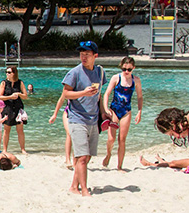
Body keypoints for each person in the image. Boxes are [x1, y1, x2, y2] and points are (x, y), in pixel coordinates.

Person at [62, 40, 105, 195]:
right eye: (81, 54)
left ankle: (74, 186)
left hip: (93, 120)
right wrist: (83, 93)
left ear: (95, 56)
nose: (83, 57)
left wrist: (104, 112)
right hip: (76, 118)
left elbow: (99, 95)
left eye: (87, 54)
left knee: (86, 158)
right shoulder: (74, 72)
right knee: (81, 157)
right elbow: (66, 93)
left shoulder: (100, 72)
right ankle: (84, 190)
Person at [101, 56, 143, 171]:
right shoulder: (116, 78)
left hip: (126, 111)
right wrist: (106, 109)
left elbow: (140, 97)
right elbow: (106, 94)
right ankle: (108, 154)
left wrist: (139, 112)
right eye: (124, 69)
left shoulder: (136, 80)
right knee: (111, 139)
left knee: (122, 140)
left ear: (133, 68)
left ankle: (119, 166)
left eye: (129, 69)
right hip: (114, 110)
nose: (126, 72)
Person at [0, 66, 28, 153]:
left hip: (18, 108)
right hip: (8, 108)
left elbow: (25, 96)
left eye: (9, 72)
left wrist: (19, 94)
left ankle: (23, 149)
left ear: (14, 73)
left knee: (20, 130)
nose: (7, 74)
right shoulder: (4, 83)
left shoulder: (20, 82)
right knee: (6, 130)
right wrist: (10, 97)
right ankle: (5, 149)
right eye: (6, 72)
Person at [48, 94, 73, 169]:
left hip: (81, 116)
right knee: (69, 134)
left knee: (78, 137)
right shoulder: (69, 87)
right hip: (68, 113)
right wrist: (54, 115)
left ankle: (75, 160)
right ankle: (68, 159)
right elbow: (61, 99)